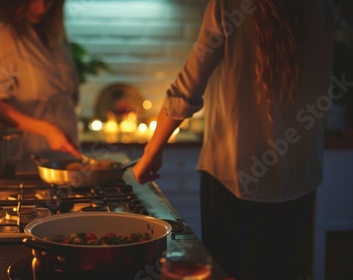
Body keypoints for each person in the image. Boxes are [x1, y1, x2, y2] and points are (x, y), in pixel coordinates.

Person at [132, 0, 336, 279]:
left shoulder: (229, 4)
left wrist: (151, 152)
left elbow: (187, 88)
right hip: (298, 178)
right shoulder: (324, 6)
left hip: (232, 174)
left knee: (226, 271)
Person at [0, 0, 81, 162]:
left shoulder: (55, 36)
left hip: (65, 153)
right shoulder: (5, 35)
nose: (41, 8)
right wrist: (48, 130)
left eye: (48, 1)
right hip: (29, 156)